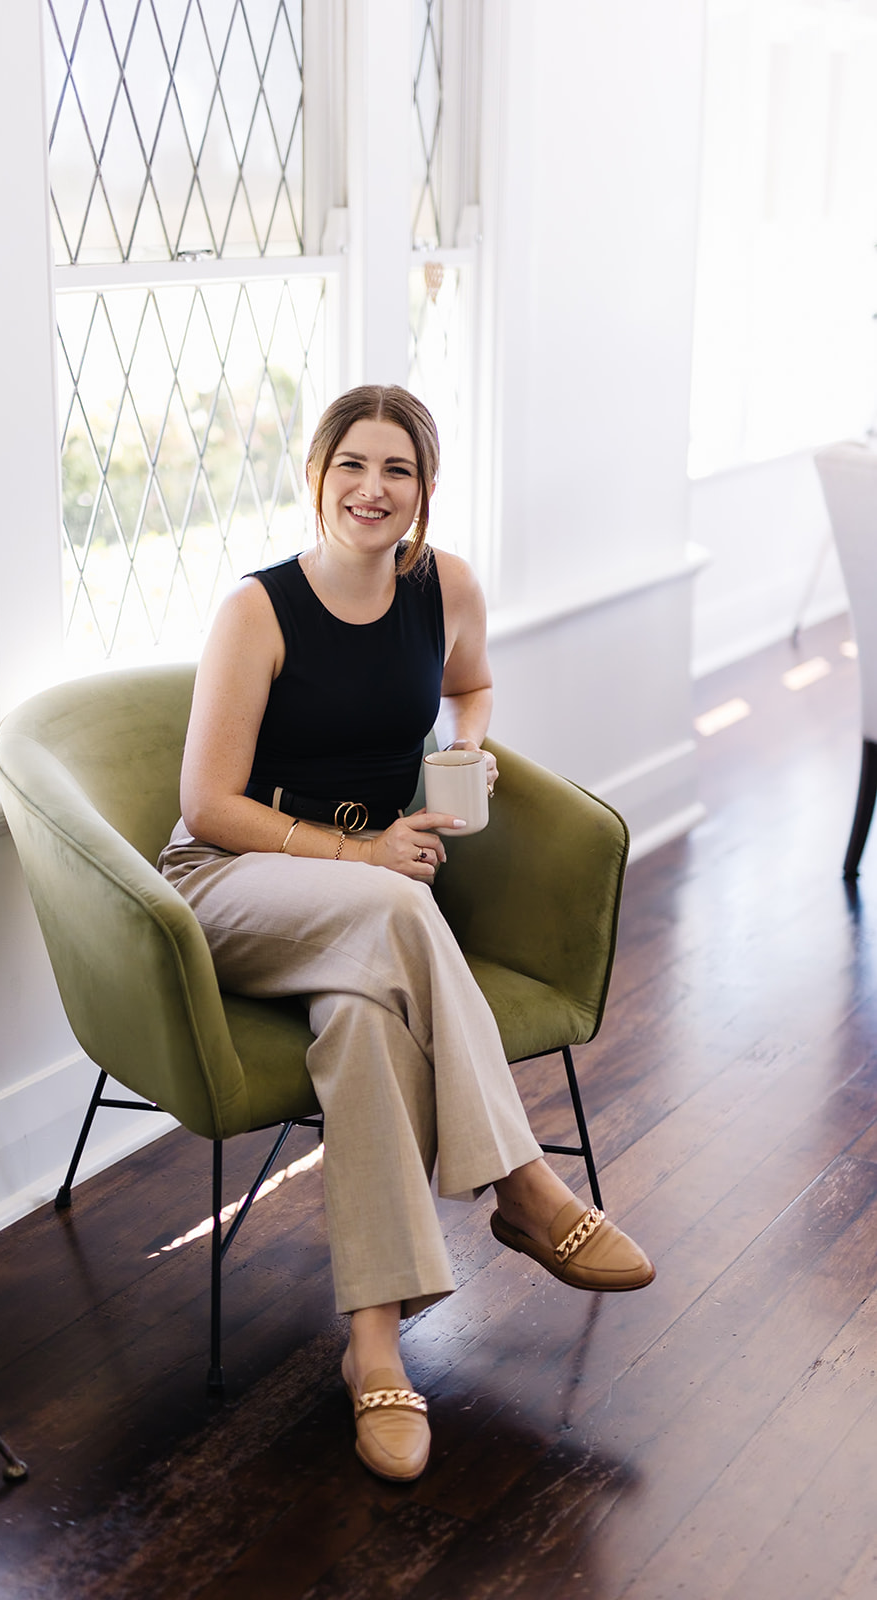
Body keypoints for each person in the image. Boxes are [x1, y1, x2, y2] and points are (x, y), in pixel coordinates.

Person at [158, 385, 654, 1483]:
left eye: (397, 470)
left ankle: (374, 1351)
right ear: (315, 473)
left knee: (362, 1024)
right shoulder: (257, 610)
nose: (371, 489)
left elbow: (470, 684)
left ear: (424, 490)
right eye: (351, 464)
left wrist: (462, 752)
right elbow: (205, 805)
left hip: (364, 913)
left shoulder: (444, 589)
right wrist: (362, 856)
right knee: (396, 907)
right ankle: (520, 1182)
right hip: (232, 881)